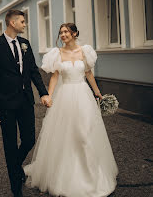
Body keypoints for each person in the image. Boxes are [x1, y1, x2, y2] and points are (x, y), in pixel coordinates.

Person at [24, 23, 118, 197]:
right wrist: (48, 95)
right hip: (65, 97)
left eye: (66, 31)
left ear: (74, 33)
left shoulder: (85, 51)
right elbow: (55, 77)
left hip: (83, 96)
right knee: (67, 135)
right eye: (61, 32)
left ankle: (91, 174)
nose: (63, 35)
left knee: (86, 133)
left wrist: (98, 93)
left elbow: (88, 73)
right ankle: (65, 175)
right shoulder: (57, 54)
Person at [0, 9, 51, 197]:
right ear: (12, 23)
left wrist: (43, 93)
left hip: (25, 101)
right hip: (5, 104)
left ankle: (15, 167)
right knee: (10, 144)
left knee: (29, 138)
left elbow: (33, 71)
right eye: (22, 21)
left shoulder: (25, 44)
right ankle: (16, 188)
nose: (24, 24)